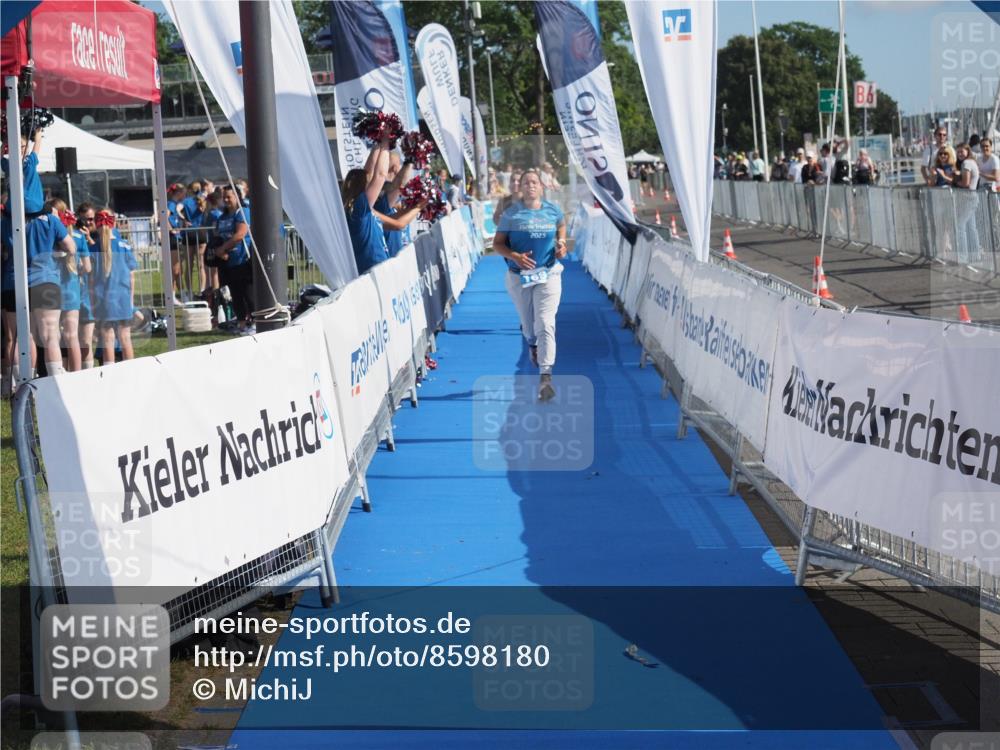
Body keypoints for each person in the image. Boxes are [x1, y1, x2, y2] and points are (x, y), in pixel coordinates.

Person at [492, 169, 567, 401]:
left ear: (542, 187)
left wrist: (561, 243)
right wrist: (515, 256)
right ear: (521, 188)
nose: (531, 186)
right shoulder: (511, 214)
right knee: (528, 324)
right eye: (526, 182)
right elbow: (497, 245)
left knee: (545, 322)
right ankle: (532, 344)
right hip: (519, 276)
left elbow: (561, 226)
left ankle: (546, 377)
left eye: (535, 182)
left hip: (549, 273)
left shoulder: (553, 210)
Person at [90, 209, 137, 364]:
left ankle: (110, 375)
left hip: (102, 299)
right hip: (122, 297)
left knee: (107, 340)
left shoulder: (93, 248)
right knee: (125, 338)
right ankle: (131, 372)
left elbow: (91, 280)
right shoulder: (125, 246)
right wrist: (130, 301)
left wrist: (92, 304)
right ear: (114, 223)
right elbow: (131, 276)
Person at [49, 199, 90, 372]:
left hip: (51, 289)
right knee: (72, 336)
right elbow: (88, 267)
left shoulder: (50, 234)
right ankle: (77, 375)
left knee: (53, 336)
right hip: (72, 289)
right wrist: (75, 274)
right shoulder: (79, 237)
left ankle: (58, 375)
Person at [209, 185, 254, 325]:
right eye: (224, 197)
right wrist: (218, 251)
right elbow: (217, 235)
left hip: (243, 259)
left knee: (249, 294)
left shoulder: (242, 212)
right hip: (227, 262)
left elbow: (240, 234)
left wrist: (223, 249)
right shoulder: (222, 216)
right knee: (235, 295)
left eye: (229, 197)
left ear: (237, 196)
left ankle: (255, 323)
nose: (226, 200)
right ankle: (241, 324)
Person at [73, 203, 99, 369]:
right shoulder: (73, 232)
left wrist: (89, 239)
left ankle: (88, 372)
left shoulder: (98, 234)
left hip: (92, 289)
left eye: (92, 219)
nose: (89, 222)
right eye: (86, 219)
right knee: (73, 337)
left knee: (86, 339)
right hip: (78, 289)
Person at [953, 142, 981, 262]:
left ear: (967, 151)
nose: (959, 154)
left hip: (968, 198)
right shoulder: (972, 162)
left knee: (960, 226)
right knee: (971, 227)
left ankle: (963, 256)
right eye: (958, 152)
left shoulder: (966, 163)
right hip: (972, 197)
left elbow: (966, 183)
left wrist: (955, 182)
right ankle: (975, 255)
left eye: (961, 151)